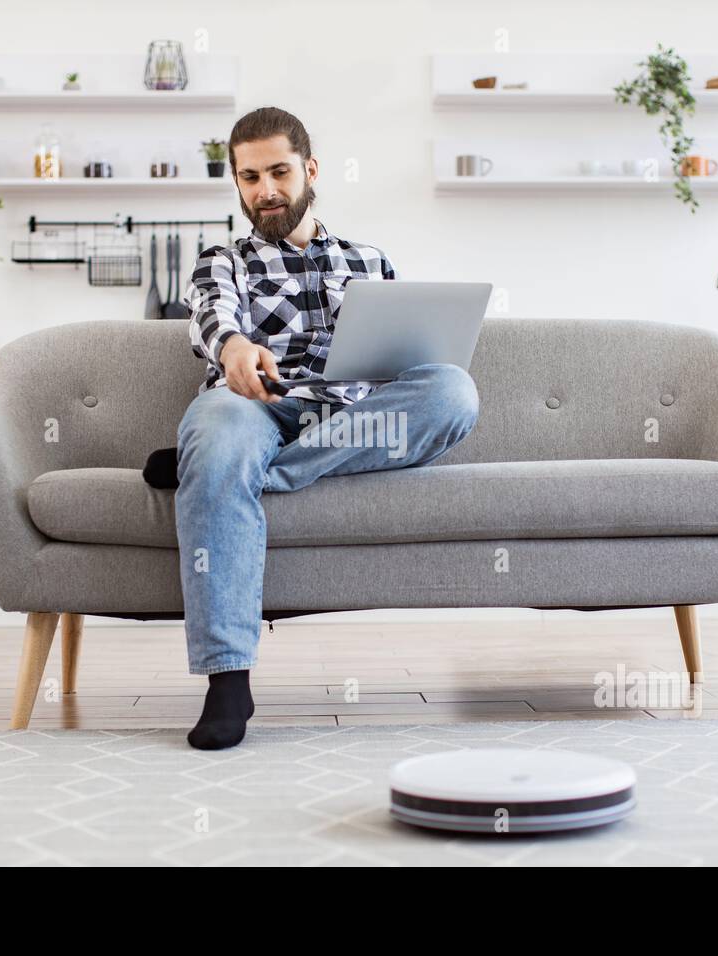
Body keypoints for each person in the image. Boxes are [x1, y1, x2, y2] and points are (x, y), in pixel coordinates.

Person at [144, 107, 480, 750]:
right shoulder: (224, 259)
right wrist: (235, 347)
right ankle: (227, 678)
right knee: (220, 434)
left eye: (278, 171)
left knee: (453, 390)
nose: (265, 190)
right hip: (251, 405)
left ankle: (228, 470)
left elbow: (415, 360)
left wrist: (411, 372)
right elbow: (212, 318)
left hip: (348, 419)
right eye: (249, 178)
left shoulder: (370, 259)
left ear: (310, 170)